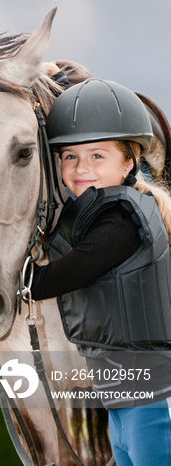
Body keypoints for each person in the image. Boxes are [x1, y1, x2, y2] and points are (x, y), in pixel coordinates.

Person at [29, 77, 171, 465]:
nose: (81, 168)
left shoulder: (123, 219)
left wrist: (11, 278)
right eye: (69, 157)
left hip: (154, 405)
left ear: (129, 163)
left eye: (97, 156)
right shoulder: (91, 215)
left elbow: (57, 277)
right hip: (122, 405)